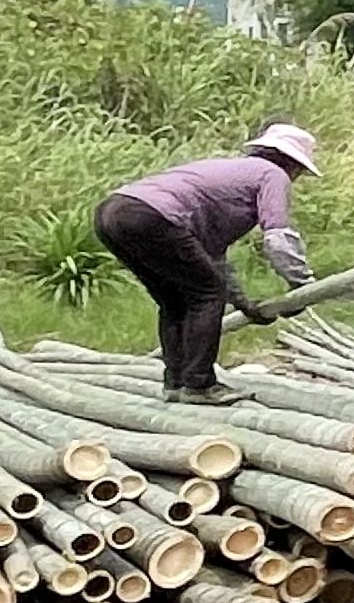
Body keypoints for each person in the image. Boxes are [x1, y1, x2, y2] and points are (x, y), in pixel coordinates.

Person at [94, 123, 320, 404]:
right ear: (293, 165)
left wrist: (242, 303)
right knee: (207, 295)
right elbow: (278, 236)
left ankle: (176, 383)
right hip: (149, 216)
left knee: (176, 300)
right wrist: (302, 284)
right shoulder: (273, 175)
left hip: (112, 212)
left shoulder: (231, 173)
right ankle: (199, 384)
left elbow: (210, 257)